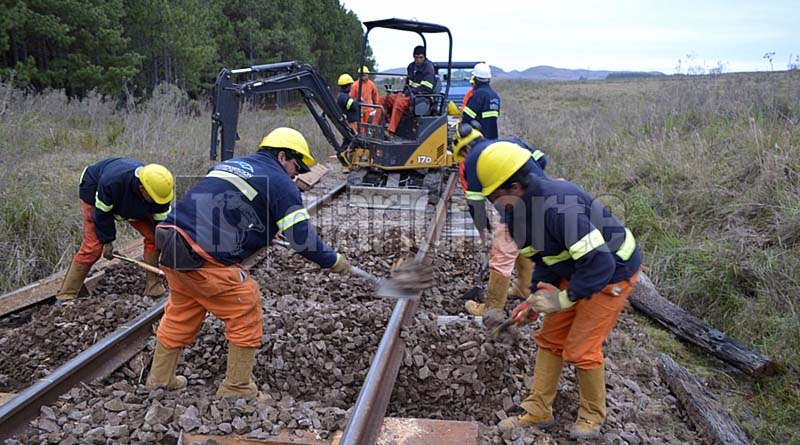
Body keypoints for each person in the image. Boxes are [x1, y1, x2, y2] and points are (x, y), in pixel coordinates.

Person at [145, 127, 353, 400]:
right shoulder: (281, 183)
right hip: (202, 256)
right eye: (297, 166)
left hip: (172, 244)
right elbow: (302, 239)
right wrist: (334, 261)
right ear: (282, 156)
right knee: (245, 302)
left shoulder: (233, 165)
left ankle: (159, 380)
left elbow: (225, 208)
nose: (296, 174)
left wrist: (266, 229)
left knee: (181, 312)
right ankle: (237, 388)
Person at [465, 142, 642, 439]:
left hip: (614, 272)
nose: (493, 206)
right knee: (549, 339)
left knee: (580, 348)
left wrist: (562, 299)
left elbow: (601, 264)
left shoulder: (558, 209)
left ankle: (592, 417)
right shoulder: (517, 217)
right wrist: (536, 297)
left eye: (495, 197)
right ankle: (538, 409)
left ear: (515, 187)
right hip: (577, 267)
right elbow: (545, 260)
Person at [452, 124, 548, 317]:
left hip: (521, 208)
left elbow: (475, 203)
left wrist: (484, 230)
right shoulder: (510, 142)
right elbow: (542, 159)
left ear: (466, 148)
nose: (464, 160)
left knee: (501, 254)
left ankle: (492, 309)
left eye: (462, 155)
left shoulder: (473, 159)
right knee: (522, 243)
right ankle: (524, 289)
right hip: (545, 195)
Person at [56, 158, 174, 302]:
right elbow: (101, 214)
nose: (157, 203)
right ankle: (67, 295)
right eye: (154, 199)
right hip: (94, 188)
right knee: (93, 247)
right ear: (142, 188)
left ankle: (153, 286)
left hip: (129, 199)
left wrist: (171, 251)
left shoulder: (159, 194)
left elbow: (163, 226)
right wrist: (107, 241)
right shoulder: (112, 182)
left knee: (154, 237)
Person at [380, 45, 435, 134]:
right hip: (409, 94)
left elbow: (427, 88)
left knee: (399, 102)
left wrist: (409, 93)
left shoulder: (428, 68)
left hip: (421, 97)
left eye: (420, 57)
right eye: (416, 57)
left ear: (424, 57)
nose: (418, 60)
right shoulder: (411, 67)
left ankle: (390, 131)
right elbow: (408, 84)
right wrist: (403, 92)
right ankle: (376, 127)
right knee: (384, 99)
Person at [461, 63, 500, 139]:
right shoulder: (495, 96)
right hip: (492, 139)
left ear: (475, 78)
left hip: (478, 139)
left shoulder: (478, 95)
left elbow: (466, 117)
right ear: (489, 79)